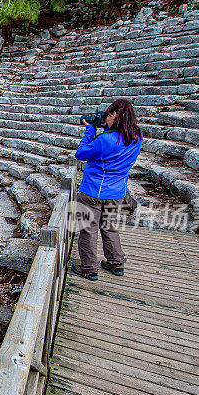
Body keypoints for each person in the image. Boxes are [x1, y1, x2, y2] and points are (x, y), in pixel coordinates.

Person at [71, 98, 142, 281]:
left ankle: (89, 267)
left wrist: (90, 130)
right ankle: (116, 261)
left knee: (88, 229)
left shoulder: (105, 140)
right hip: (117, 191)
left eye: (109, 115)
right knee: (109, 227)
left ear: (115, 115)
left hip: (94, 191)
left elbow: (81, 153)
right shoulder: (137, 137)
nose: (107, 119)